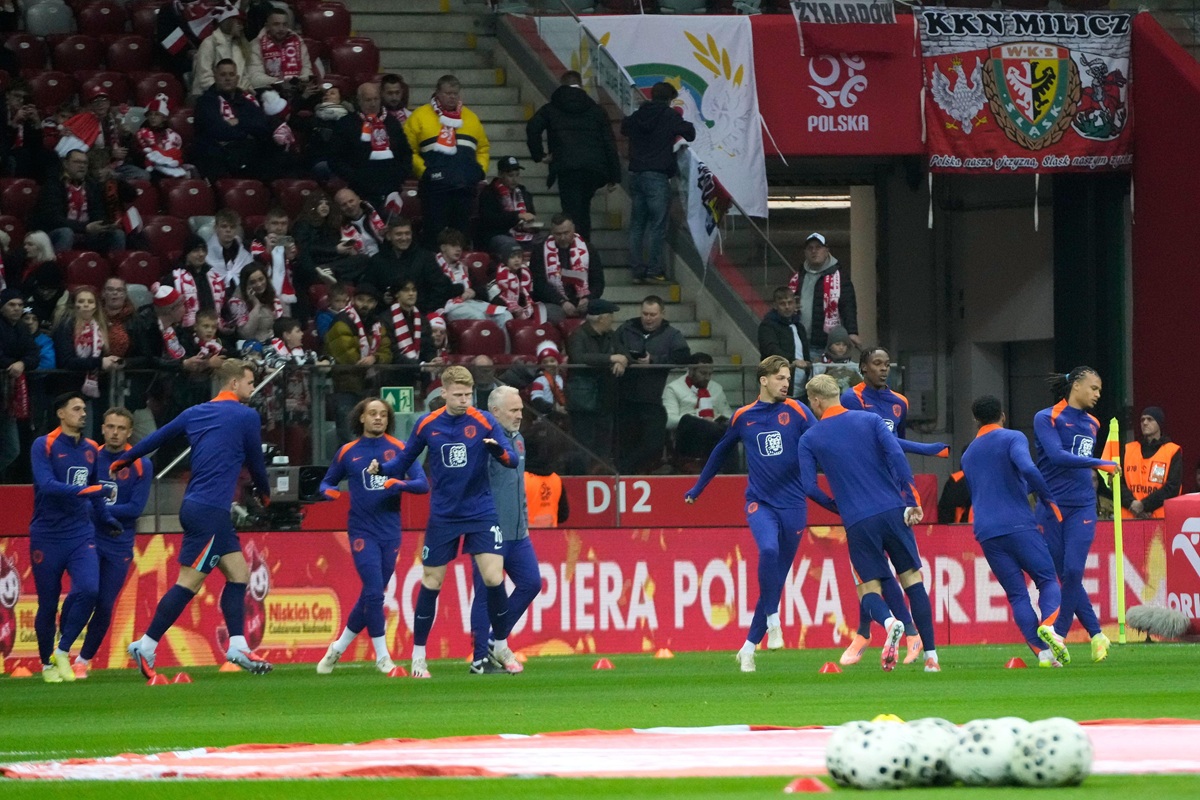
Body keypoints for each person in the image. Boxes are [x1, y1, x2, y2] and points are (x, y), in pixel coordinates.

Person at [121, 359, 274, 678]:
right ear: (233, 383)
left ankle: (237, 645)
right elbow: (255, 460)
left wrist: (124, 459)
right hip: (211, 511)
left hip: (198, 507)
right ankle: (146, 644)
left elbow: (156, 439)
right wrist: (265, 491)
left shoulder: (196, 412)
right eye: (249, 382)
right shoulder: (246, 415)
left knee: (239, 573)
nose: (252, 387)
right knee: (189, 582)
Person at [685, 356, 835, 672]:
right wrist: (698, 489)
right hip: (760, 503)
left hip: (794, 505)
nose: (785, 383)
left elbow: (825, 444)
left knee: (775, 579)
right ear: (763, 380)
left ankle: (749, 648)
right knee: (767, 549)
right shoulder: (743, 416)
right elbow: (719, 452)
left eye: (787, 378)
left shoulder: (797, 411)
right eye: (780, 377)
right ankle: (773, 618)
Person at [370, 365, 519, 678]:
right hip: (444, 515)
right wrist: (382, 469)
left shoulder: (484, 420)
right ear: (444, 392)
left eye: (468, 394)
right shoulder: (428, 424)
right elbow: (403, 462)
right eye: (459, 394)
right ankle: (419, 656)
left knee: (494, 577)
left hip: (480, 511)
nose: (465, 400)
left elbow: (512, 459)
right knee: (431, 582)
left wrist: (498, 453)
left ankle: (502, 645)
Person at [799, 373, 941, 673]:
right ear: (838, 393)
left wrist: (838, 507)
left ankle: (890, 622)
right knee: (912, 581)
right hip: (893, 510)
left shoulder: (809, 438)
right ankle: (931, 659)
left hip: (858, 520)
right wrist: (911, 497)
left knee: (868, 588)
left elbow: (809, 487)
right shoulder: (871, 421)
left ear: (815, 400)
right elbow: (897, 456)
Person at [837, 345, 946, 666]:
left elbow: (892, 449)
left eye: (887, 364)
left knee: (886, 574)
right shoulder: (851, 399)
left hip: (889, 495)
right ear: (863, 367)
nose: (883, 369)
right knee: (879, 573)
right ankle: (874, 633)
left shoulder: (900, 403)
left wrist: (906, 490)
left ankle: (891, 636)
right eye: (877, 364)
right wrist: (925, 449)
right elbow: (871, 440)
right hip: (862, 486)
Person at [315, 397, 429, 675]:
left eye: (383, 414)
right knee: (375, 591)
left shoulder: (400, 450)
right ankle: (382, 657)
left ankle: (337, 649)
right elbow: (327, 481)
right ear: (362, 418)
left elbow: (422, 484)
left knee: (371, 594)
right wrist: (328, 492)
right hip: (361, 531)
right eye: (372, 414)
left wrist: (397, 482)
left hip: (390, 531)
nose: (378, 418)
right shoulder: (348, 452)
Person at [961, 395, 1070, 668]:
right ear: (1003, 414)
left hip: (986, 531)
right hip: (1019, 524)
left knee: (1017, 595)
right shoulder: (1012, 438)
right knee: (1046, 580)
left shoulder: (968, 454)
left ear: (975, 419)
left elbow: (988, 488)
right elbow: (1028, 468)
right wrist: (1048, 498)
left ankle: (1044, 655)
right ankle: (1049, 625)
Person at [29, 392, 120, 683]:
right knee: (48, 603)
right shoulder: (44, 444)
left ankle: (63, 650)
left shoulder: (93, 448)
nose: (83, 413)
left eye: (84, 409)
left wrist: (106, 519)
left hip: (80, 533)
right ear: (61, 413)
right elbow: (47, 486)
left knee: (90, 589)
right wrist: (91, 492)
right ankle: (46, 665)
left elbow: (95, 493)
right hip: (47, 534)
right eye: (76, 408)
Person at [59, 407, 152, 679]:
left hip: (119, 542)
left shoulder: (140, 464)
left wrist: (101, 511)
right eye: (110, 426)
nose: (114, 432)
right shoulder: (90, 457)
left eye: (120, 428)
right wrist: (97, 511)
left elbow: (135, 508)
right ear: (102, 428)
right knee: (82, 591)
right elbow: (79, 495)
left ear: (130, 432)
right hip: (87, 537)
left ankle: (83, 660)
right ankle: (62, 638)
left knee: (105, 603)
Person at [1035, 366, 1119, 662]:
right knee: (1065, 575)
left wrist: (1098, 465)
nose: (1098, 394)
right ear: (1078, 386)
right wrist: (1101, 463)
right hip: (1051, 507)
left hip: (1083, 505)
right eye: (1094, 388)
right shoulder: (1046, 418)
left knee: (1072, 571)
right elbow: (1057, 457)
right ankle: (1097, 634)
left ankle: (1058, 633)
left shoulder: (1093, 423)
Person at [469, 386, 540, 675]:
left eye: (521, 409)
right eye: (513, 410)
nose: (519, 415)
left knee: (531, 582)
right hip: (488, 530)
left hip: (517, 531)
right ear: (495, 412)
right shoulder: (482, 443)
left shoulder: (518, 440)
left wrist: (524, 522)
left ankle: (495, 642)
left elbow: (518, 486)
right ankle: (479, 660)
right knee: (486, 592)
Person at [526, 70, 621, 241]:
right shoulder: (596, 110)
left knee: (571, 210)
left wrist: (540, 155)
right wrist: (614, 175)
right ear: (581, 85)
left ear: (562, 85)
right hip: (593, 168)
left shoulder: (551, 108)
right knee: (584, 209)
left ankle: (572, 249)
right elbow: (609, 142)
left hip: (566, 166)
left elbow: (533, 127)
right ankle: (583, 248)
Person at [621, 81, 695, 283]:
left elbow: (624, 128)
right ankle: (654, 269)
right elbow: (690, 132)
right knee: (657, 225)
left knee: (637, 225)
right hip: (657, 175)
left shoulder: (638, 115)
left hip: (636, 174)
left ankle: (637, 270)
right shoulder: (669, 115)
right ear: (670, 100)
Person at [404, 75, 490, 248]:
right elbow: (407, 150)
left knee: (461, 239)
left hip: (464, 189)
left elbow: (483, 148)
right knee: (434, 238)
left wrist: (478, 171)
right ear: (437, 93)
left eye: (455, 94)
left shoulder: (471, 118)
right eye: (448, 93)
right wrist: (425, 172)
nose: (452, 97)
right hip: (434, 191)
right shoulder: (419, 116)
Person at [615, 295, 690, 474]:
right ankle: (623, 477)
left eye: (653, 314)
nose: (648, 318)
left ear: (662, 314)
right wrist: (622, 358)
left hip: (652, 399)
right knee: (624, 444)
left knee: (653, 444)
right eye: (645, 314)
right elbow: (612, 346)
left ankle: (623, 471)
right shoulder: (626, 329)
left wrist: (654, 361)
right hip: (625, 399)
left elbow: (683, 356)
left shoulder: (672, 334)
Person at [331, 81, 412, 211]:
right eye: (368, 100)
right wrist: (356, 177)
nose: (373, 104)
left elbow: (405, 152)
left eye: (376, 99)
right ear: (359, 101)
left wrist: (399, 176)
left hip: (391, 189)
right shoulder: (346, 124)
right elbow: (335, 158)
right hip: (360, 191)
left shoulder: (392, 122)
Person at [565, 298, 626, 468]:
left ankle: (601, 473)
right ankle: (581, 477)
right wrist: (611, 358)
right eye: (610, 316)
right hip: (583, 400)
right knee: (584, 442)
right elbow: (579, 358)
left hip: (605, 397)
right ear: (602, 318)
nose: (612, 320)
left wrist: (622, 361)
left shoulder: (610, 335)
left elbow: (625, 354)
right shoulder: (578, 335)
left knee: (604, 441)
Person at [34, 149, 126, 255]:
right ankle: (59, 268)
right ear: (66, 164)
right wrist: (85, 228)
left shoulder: (92, 185)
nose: (82, 166)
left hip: (87, 234)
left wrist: (104, 225)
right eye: (77, 162)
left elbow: (98, 212)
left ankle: (114, 269)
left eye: (85, 163)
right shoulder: (53, 184)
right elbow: (53, 219)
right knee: (66, 233)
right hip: (57, 232)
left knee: (117, 234)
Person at [364, 216, 459, 315]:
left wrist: (425, 312)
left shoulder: (425, 258)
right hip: (387, 317)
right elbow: (368, 288)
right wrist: (382, 298)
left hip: (422, 315)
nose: (404, 238)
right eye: (398, 234)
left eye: (407, 233)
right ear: (389, 236)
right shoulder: (377, 260)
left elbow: (440, 288)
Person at [787, 232, 859, 353]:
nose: (814, 251)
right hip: (800, 341)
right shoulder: (798, 277)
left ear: (826, 251)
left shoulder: (840, 277)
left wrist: (852, 332)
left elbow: (848, 306)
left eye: (818, 247)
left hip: (828, 343)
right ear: (805, 252)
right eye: (810, 248)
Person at [1111, 406, 1182, 519]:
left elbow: (1172, 488)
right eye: (1142, 420)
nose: (1144, 423)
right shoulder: (1128, 449)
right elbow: (1117, 481)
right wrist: (1132, 504)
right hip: (1129, 517)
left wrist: (1144, 505)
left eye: (1150, 419)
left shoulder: (1172, 451)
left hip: (1158, 518)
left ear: (1159, 423)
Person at [530, 214, 604, 322]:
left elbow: (598, 282)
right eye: (558, 234)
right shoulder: (540, 251)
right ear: (552, 232)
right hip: (553, 301)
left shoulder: (588, 249)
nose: (563, 237)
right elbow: (539, 284)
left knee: (601, 314)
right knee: (555, 315)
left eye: (566, 233)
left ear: (573, 229)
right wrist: (562, 302)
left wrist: (587, 298)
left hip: (583, 300)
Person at [664, 352, 733, 466]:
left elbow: (728, 414)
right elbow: (669, 420)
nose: (707, 378)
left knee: (729, 429)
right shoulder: (674, 388)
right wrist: (700, 419)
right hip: (688, 436)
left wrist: (720, 420)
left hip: (714, 432)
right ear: (691, 370)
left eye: (710, 374)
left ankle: (732, 475)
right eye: (703, 373)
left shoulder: (716, 388)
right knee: (689, 420)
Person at [1, 287, 40, 477]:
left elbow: (34, 355)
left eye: (20, 305)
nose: (16, 308)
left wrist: (21, 363)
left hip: (10, 399)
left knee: (12, 448)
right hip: (5, 392)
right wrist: (14, 364)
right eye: (11, 304)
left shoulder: (22, 328)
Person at [757, 287, 810, 397]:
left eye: (790, 303)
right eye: (782, 304)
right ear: (775, 306)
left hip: (802, 384)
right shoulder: (767, 325)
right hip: (777, 382)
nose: (787, 307)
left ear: (795, 303)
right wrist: (793, 361)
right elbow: (770, 349)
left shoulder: (799, 326)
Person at [476, 156, 538, 249]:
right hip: (499, 235)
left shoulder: (524, 193)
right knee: (510, 245)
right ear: (500, 174)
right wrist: (517, 216)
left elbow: (531, 214)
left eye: (517, 175)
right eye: (511, 176)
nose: (515, 179)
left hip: (524, 233)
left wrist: (530, 225)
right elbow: (489, 220)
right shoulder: (489, 193)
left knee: (545, 241)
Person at [190, 6, 253, 98]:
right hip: (208, 95)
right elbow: (204, 79)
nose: (242, 27)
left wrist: (249, 91)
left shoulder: (238, 46)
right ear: (227, 22)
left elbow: (244, 77)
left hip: (235, 94)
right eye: (238, 23)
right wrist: (231, 91)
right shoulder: (209, 43)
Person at [246, 8, 313, 92]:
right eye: (276, 24)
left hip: (299, 90)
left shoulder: (298, 42)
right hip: (270, 92)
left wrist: (300, 81)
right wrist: (280, 82)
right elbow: (255, 78)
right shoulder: (256, 45)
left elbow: (307, 69)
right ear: (267, 26)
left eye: (284, 24)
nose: (281, 28)